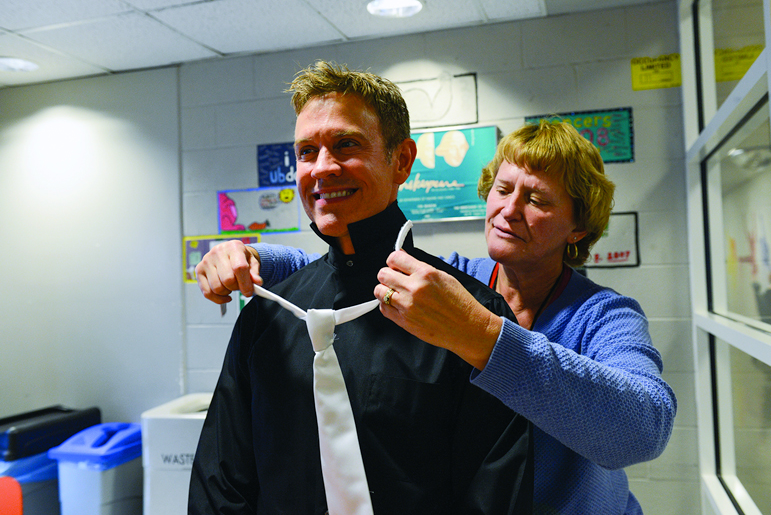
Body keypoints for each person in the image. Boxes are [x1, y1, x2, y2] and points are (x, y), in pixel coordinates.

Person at [196, 119, 678, 514]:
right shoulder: (455, 283)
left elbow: (642, 430)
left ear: (578, 227)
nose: (509, 210)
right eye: (503, 189)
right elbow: (342, 273)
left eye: (537, 199)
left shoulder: (602, 316)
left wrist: (486, 339)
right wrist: (249, 256)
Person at [189, 61, 536, 514]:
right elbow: (222, 481)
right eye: (307, 151)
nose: (323, 168)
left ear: (402, 160)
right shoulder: (268, 317)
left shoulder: (469, 317)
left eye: (346, 145)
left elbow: (497, 496)